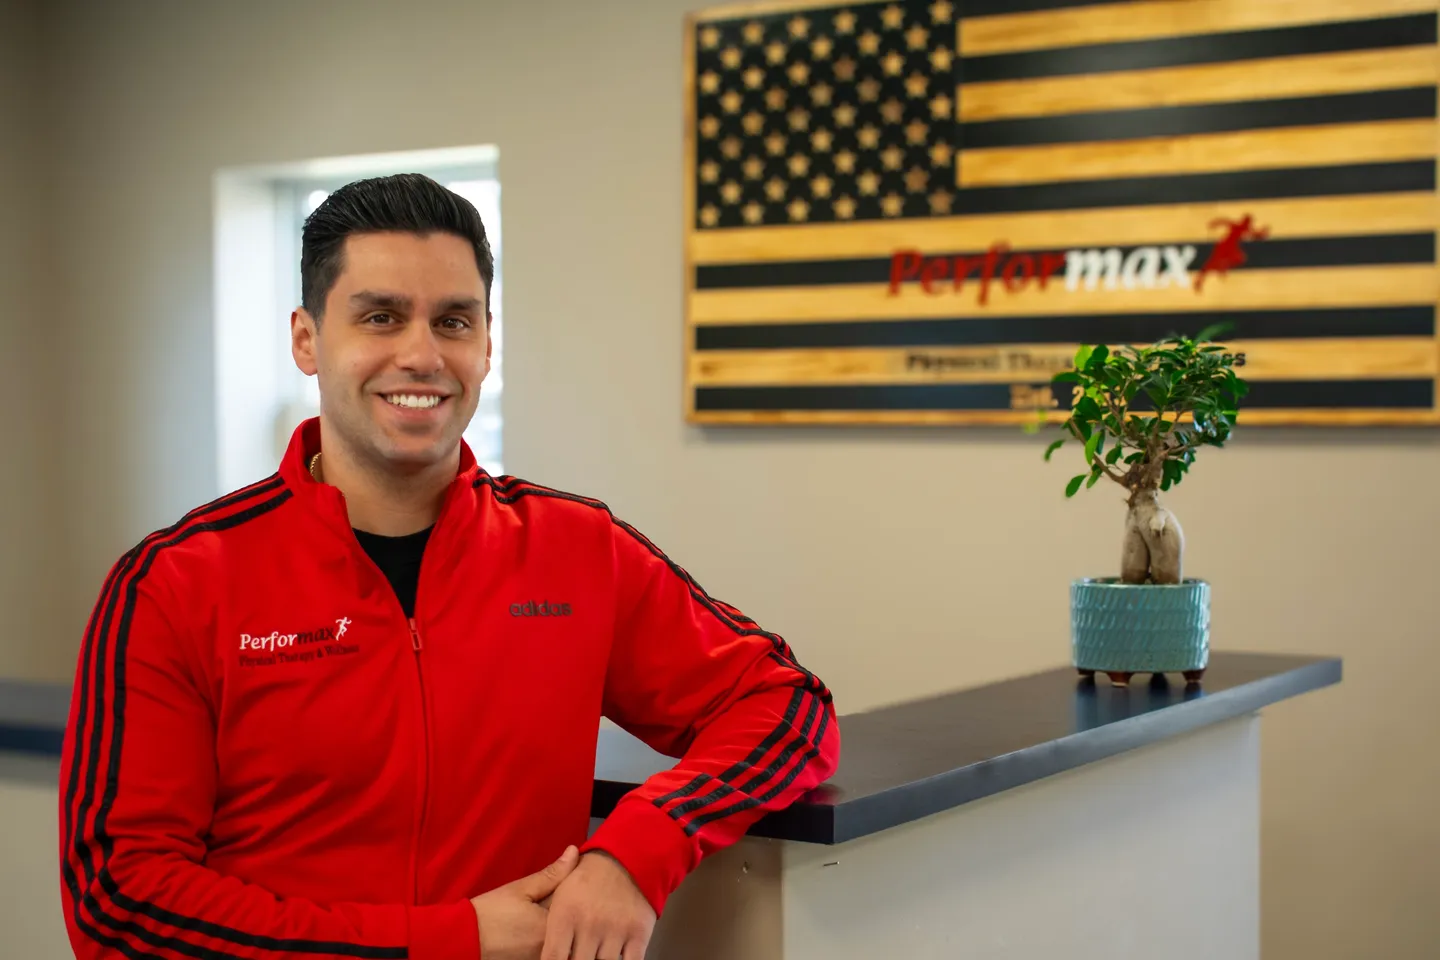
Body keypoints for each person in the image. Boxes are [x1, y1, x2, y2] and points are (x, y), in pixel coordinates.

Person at [57, 173, 840, 960]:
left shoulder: (576, 551)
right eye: (380, 317)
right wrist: (444, 941)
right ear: (306, 338)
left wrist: (636, 851)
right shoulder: (173, 584)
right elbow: (119, 906)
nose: (422, 355)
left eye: (453, 321)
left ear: (487, 345)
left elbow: (788, 708)